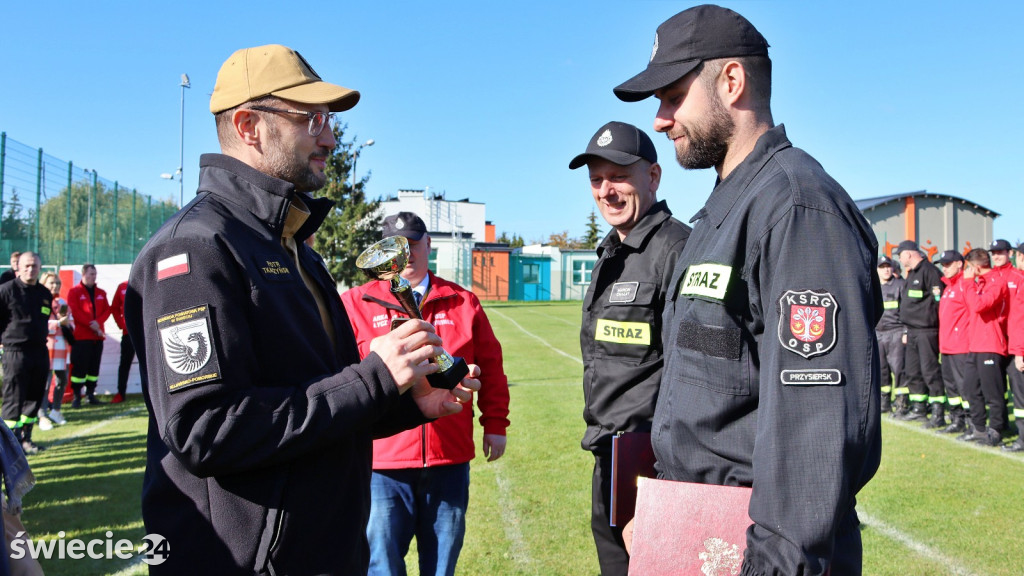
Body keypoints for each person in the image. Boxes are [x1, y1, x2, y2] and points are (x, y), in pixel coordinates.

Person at [123, 44, 479, 575]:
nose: (330, 137)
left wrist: (405, 404)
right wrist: (374, 380)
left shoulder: (294, 249)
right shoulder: (194, 249)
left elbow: (314, 398)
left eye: (329, 119)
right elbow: (206, 429)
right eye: (312, 119)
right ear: (249, 125)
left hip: (324, 552)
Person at [613, 6, 882, 573]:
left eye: (672, 95)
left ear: (731, 82)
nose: (661, 120)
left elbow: (817, 425)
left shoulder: (797, 207)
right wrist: (665, 507)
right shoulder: (723, 211)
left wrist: (770, 565)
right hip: (698, 529)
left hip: (756, 552)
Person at [341, 212, 510, 576]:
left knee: (441, 566)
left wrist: (495, 423)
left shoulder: (463, 300)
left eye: (414, 244)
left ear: (429, 244)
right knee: (382, 565)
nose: (408, 254)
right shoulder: (354, 303)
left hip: (448, 457)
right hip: (382, 463)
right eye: (398, 247)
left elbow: (491, 368)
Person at [567, 121, 689, 575]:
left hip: (653, 465)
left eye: (618, 175)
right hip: (610, 458)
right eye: (596, 180)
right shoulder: (610, 254)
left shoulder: (676, 250)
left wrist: (661, 487)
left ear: (653, 177)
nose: (606, 191)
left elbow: (691, 376)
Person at [0, 253, 53, 454]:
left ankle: (26, 439)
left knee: (34, 397)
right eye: (27, 266)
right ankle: (8, 445)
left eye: (35, 266)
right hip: (15, 352)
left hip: (39, 351)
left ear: (40, 267)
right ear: (19, 267)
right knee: (13, 399)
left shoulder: (44, 294)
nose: (31, 269)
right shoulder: (5, 291)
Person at [956, 248, 1009, 447]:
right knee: (970, 388)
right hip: (975, 344)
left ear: (976, 266)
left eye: (969, 267)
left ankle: (995, 430)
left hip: (991, 344)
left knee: (992, 392)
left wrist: (969, 283)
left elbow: (979, 305)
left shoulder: (997, 281)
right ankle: (978, 428)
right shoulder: (979, 283)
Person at [896, 240, 945, 425]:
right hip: (912, 331)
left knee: (930, 370)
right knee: (913, 370)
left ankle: (938, 412)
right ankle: (919, 408)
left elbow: (938, 300)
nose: (900, 260)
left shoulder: (930, 272)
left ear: (909, 254)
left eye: (900, 256)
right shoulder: (912, 274)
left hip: (927, 331)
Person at [936, 250, 970, 434]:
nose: (945, 268)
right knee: (951, 386)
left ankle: (973, 423)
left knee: (965, 386)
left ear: (959, 263)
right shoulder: (948, 287)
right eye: (943, 264)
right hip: (946, 346)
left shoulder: (965, 284)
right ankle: (957, 420)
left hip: (961, 346)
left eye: (948, 264)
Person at [67, 264, 109, 407]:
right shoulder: (74, 291)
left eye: (95, 274)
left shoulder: (101, 293)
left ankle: (90, 394)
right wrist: (92, 324)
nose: (93, 277)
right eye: (91, 274)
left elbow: (107, 310)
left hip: (97, 338)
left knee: (93, 368)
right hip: (82, 338)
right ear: (83, 274)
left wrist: (98, 323)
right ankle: (77, 396)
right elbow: (76, 312)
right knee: (79, 368)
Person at [38, 272, 71, 430]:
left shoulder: (62, 302)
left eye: (57, 283)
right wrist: (57, 323)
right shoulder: (39, 301)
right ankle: (42, 415)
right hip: (45, 346)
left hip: (61, 347)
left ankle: (56, 410)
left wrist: (66, 324)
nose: (55, 286)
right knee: (44, 383)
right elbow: (39, 325)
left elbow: (70, 323)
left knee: (62, 379)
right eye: (51, 283)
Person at [875, 256, 905, 414]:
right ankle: (884, 401)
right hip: (878, 333)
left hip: (896, 332)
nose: (886, 269)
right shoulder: (873, 286)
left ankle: (901, 403)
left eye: (889, 266)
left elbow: (907, 311)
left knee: (898, 368)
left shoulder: (900, 285)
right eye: (882, 267)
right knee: (881, 369)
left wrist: (905, 331)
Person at [1006, 242, 1024, 451]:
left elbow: (1020, 321)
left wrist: (1019, 352)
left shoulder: (1020, 282)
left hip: (1019, 348)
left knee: (1020, 397)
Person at [108, 279, 133, 404]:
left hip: (145, 334)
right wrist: (122, 324)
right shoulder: (122, 286)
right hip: (128, 334)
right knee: (124, 364)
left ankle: (154, 395)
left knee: (150, 365)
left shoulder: (145, 282)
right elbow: (114, 308)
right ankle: (120, 393)